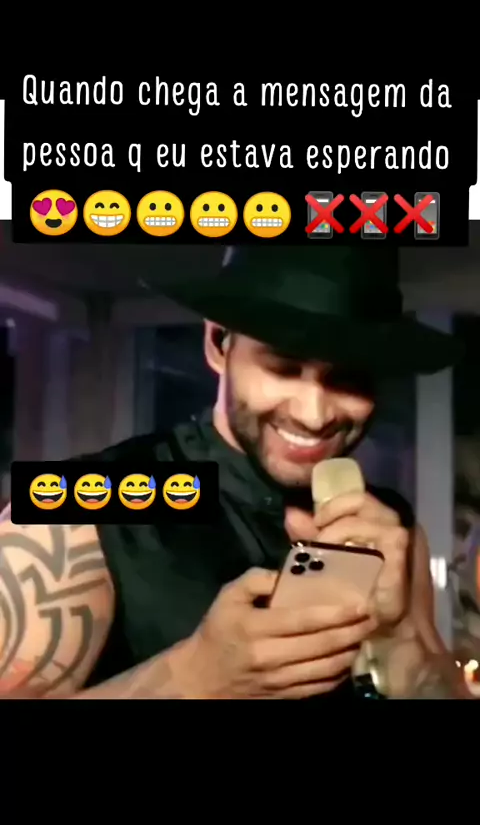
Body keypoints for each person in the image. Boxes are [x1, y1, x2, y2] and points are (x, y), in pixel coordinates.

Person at [0, 245, 470, 699]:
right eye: (283, 367)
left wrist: (401, 642)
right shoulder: (74, 501)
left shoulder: (388, 526)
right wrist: (192, 679)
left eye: (348, 378)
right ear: (218, 344)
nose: (314, 415)